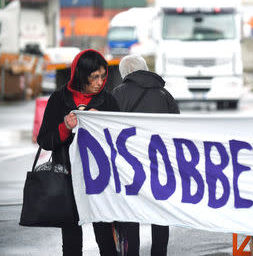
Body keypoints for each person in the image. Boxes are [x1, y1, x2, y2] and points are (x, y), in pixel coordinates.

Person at [37, 49, 119, 256]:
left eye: (103, 76)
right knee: (72, 241)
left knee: (106, 239)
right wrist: (64, 126)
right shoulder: (58, 99)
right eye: (94, 77)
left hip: (101, 181)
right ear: (81, 76)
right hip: (68, 179)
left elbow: (122, 141)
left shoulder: (108, 101)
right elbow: (45, 141)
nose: (100, 82)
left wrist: (103, 123)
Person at [111, 54, 180, 256]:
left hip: (128, 167)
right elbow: (177, 129)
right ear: (146, 69)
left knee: (130, 213)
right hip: (160, 165)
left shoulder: (117, 94)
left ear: (124, 73)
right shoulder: (164, 94)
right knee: (160, 214)